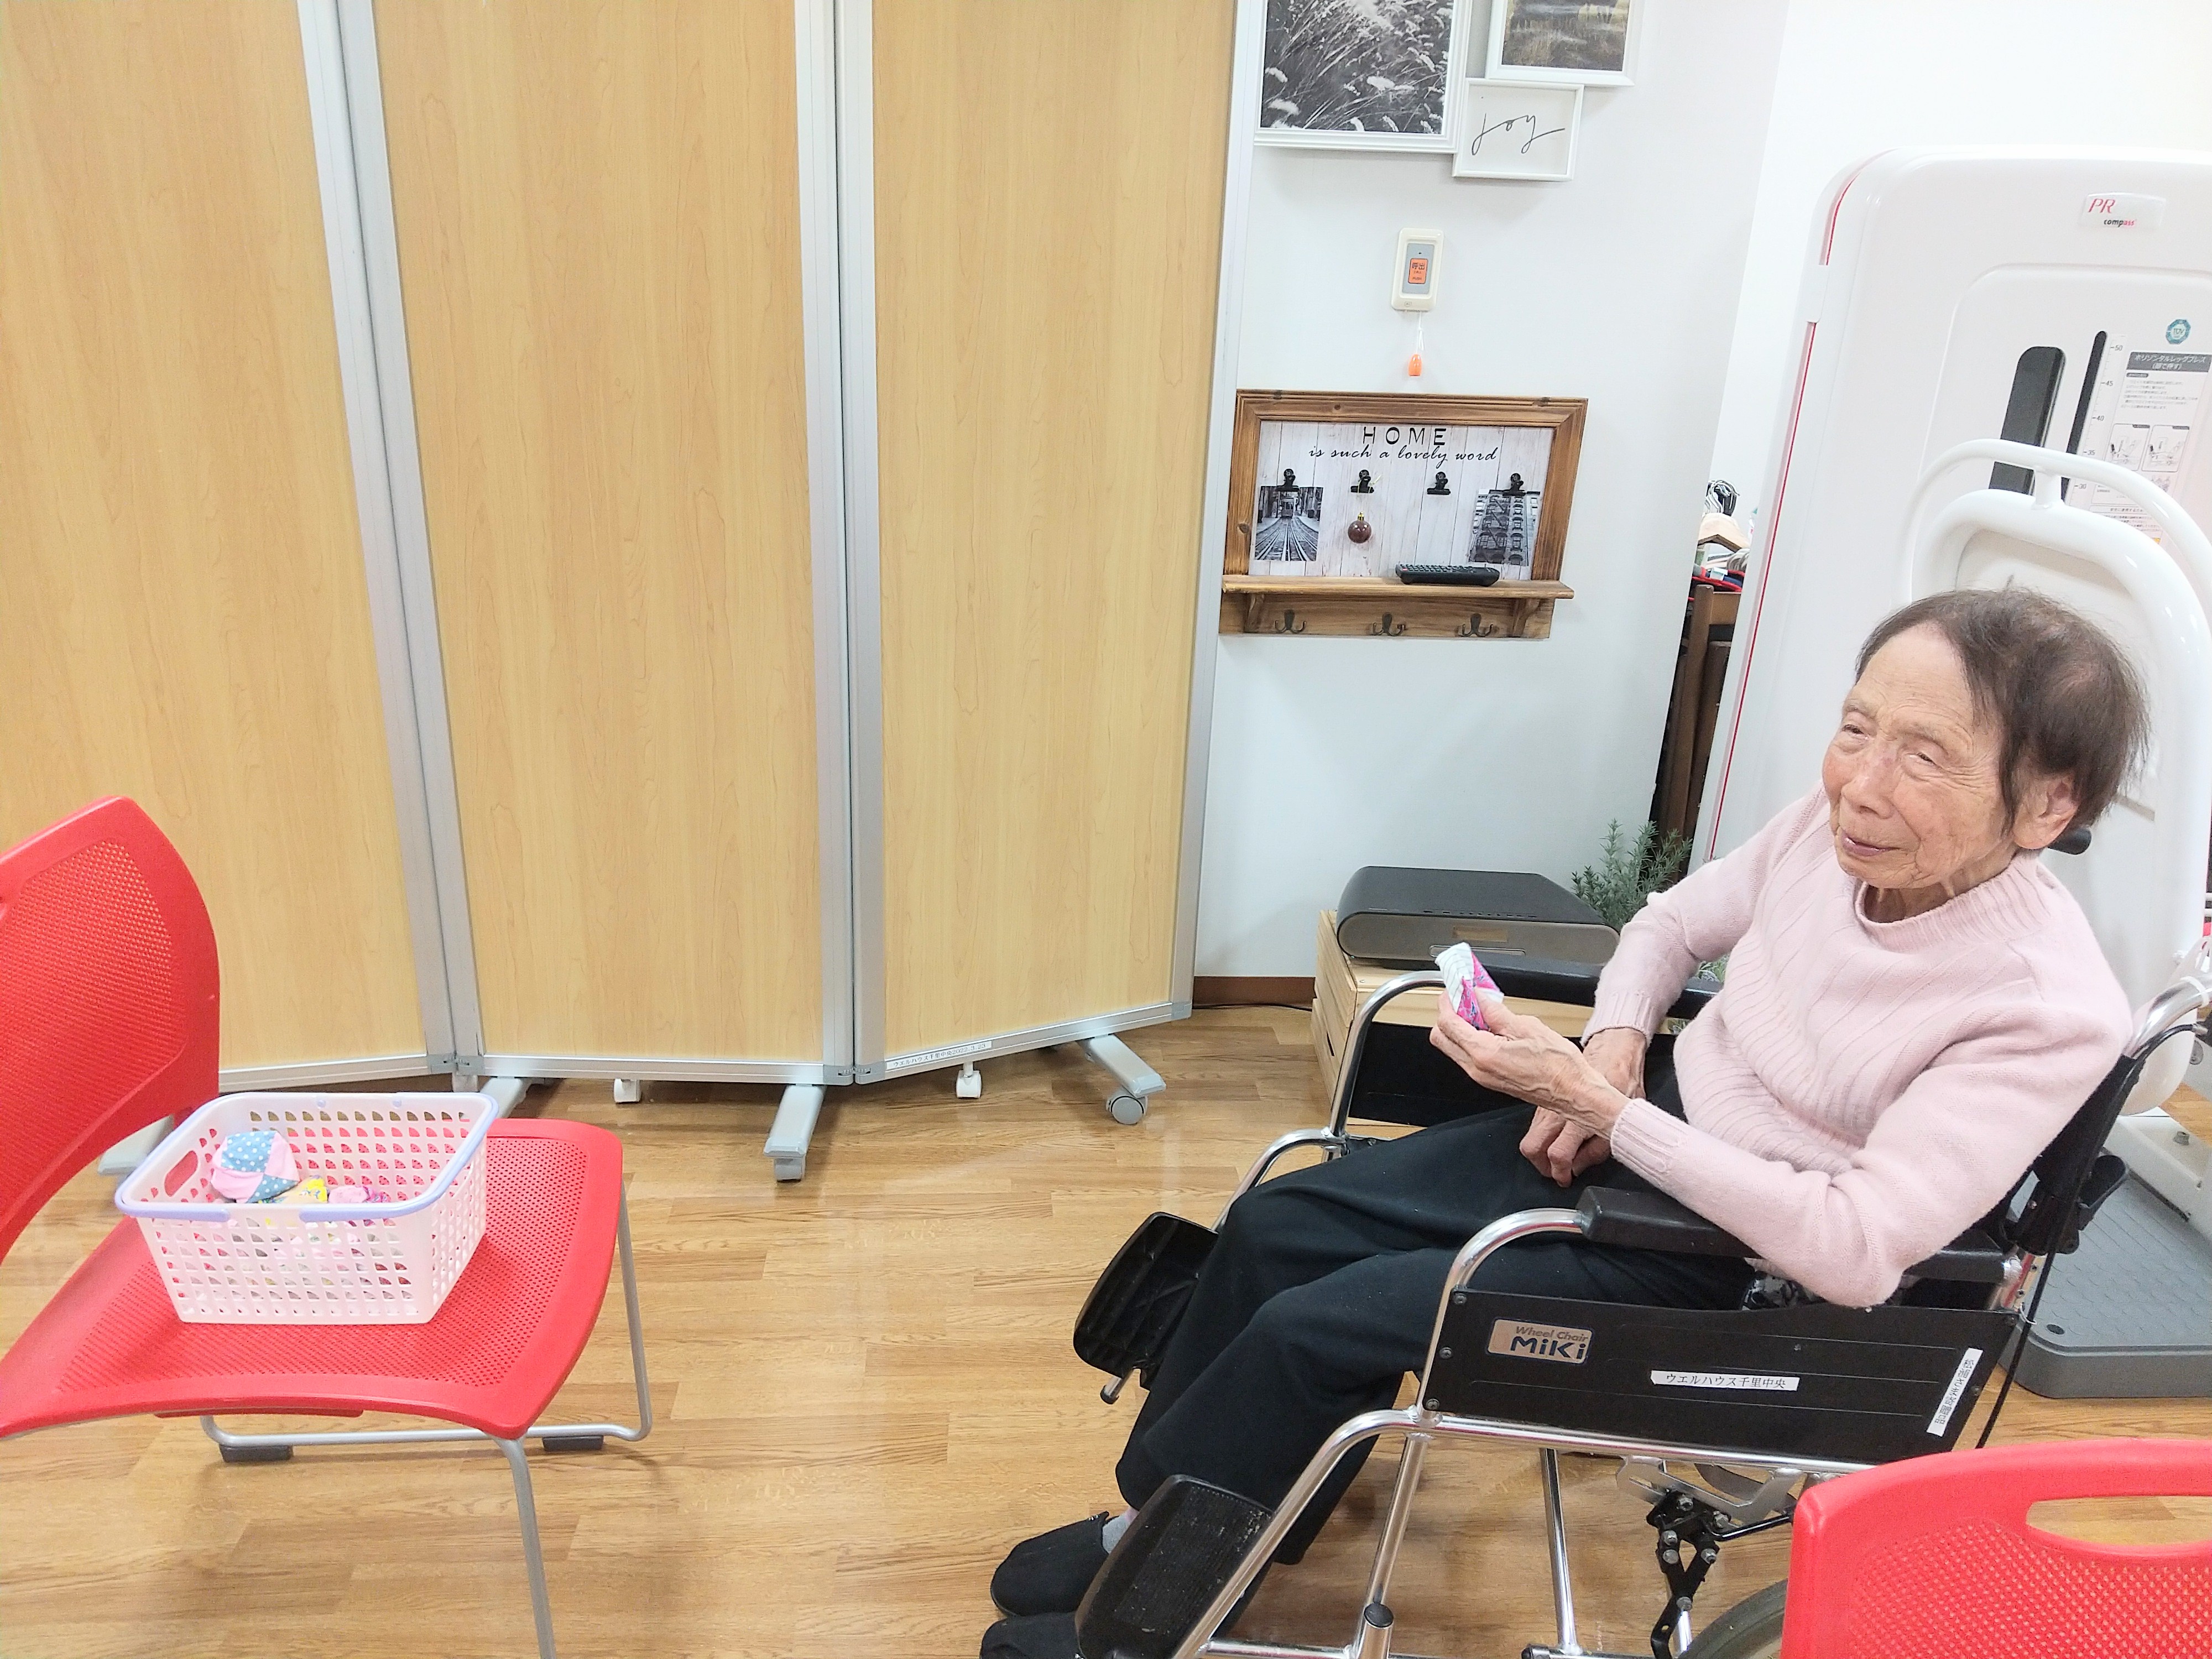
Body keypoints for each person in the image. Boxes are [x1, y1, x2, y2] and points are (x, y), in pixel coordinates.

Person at [981, 588, 2146, 1659]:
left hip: (1737, 1269)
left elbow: (1851, 1251)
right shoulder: (1827, 831)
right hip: (1648, 1127)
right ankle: (1168, 1526)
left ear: (2048, 804)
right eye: (1856, 728)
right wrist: (1614, 1047)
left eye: (1924, 755)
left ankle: (1158, 1607)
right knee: (1279, 1224)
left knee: (1314, 1327)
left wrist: (1605, 1112)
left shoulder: (2042, 1008)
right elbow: (1664, 928)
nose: (1862, 783)